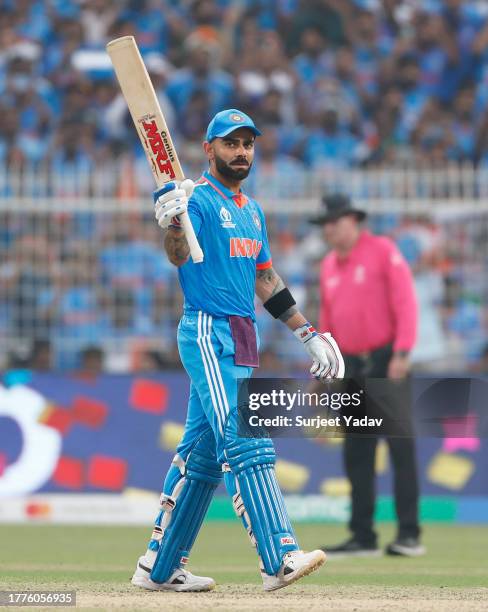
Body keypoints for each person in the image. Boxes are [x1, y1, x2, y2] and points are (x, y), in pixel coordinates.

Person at [131, 109, 345, 593]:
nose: (241, 152)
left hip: (244, 335)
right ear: (210, 149)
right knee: (246, 435)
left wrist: (306, 331)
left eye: (247, 143)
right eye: (231, 143)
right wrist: (170, 223)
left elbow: (265, 279)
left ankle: (159, 568)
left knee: (203, 456)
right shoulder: (196, 201)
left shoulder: (252, 210)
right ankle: (279, 557)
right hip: (208, 329)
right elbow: (178, 253)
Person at [310, 194, 425, 557]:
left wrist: (402, 352)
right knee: (357, 452)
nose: (329, 229)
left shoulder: (382, 251)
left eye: (334, 221)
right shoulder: (328, 265)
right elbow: (328, 321)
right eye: (325, 223)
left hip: (384, 358)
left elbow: (406, 302)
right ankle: (363, 536)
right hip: (348, 364)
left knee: (400, 447)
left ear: (352, 221)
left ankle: (409, 534)